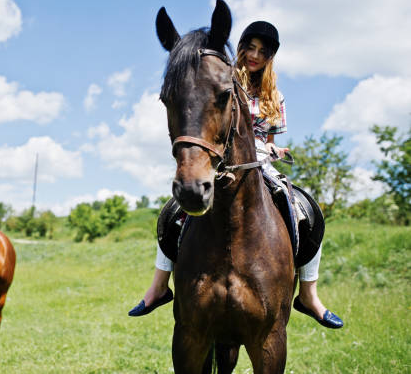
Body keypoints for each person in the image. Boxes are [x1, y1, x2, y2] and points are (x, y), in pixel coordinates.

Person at [128, 21, 343, 329]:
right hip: (219, 160)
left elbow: (269, 141)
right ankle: (159, 286)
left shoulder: (275, 97)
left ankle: (309, 294)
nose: (255, 55)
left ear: (270, 57)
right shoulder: (224, 77)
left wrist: (273, 151)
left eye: (263, 51)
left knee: (306, 210)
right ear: (241, 48)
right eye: (250, 47)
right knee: (175, 212)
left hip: (258, 165)